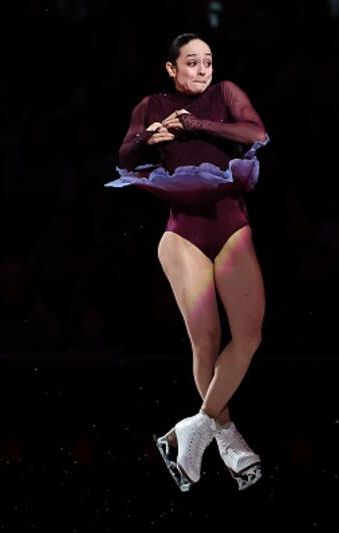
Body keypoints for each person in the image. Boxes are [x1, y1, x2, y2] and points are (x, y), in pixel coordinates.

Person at [116, 34, 268, 491]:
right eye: (192, 63)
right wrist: (150, 136)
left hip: (231, 226)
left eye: (208, 62)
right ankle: (225, 435)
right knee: (206, 341)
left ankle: (195, 427)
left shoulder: (226, 94)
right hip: (182, 234)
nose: (202, 70)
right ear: (171, 68)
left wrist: (197, 124)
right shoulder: (152, 104)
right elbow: (125, 156)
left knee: (249, 336)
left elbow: (256, 133)